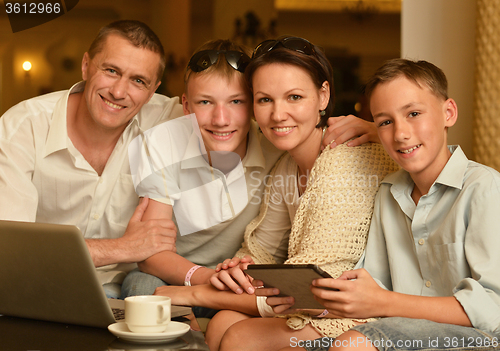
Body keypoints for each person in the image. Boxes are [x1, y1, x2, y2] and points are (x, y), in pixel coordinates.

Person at [153, 36, 398, 350]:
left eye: (294, 97)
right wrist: (240, 270)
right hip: (314, 301)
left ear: (323, 96)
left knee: (240, 337)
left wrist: (193, 293)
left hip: (362, 309)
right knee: (222, 323)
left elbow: (310, 288)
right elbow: (263, 251)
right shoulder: (286, 165)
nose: (278, 114)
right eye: (265, 99)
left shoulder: (342, 161)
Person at [120, 39, 379, 299]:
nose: (221, 120)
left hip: (238, 276)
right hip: (186, 274)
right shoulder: (166, 141)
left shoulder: (280, 144)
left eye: (236, 102)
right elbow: (150, 252)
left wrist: (378, 129)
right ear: (187, 106)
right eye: (205, 102)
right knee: (140, 285)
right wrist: (210, 279)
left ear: (252, 107)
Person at [297, 59, 500, 351]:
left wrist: (382, 301)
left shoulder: (484, 188)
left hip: (481, 336)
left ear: (448, 113)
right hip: (399, 329)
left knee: (353, 345)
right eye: (385, 122)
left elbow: (492, 307)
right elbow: (375, 288)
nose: (401, 133)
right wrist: (318, 301)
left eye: (414, 113)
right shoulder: (388, 192)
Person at [0, 20, 182, 298]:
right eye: (111, 71)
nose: (119, 92)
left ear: (153, 90)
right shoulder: (22, 128)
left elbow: (232, 112)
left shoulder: (166, 117)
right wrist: (126, 247)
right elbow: (11, 248)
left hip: (125, 289)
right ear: (86, 66)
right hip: (39, 286)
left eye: (138, 81)